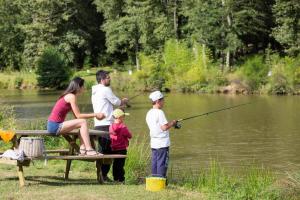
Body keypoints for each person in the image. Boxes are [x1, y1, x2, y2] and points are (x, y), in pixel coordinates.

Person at [47, 77, 105, 156]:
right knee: (83, 122)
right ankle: (89, 149)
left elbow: (77, 117)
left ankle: (82, 149)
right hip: (55, 126)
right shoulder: (71, 96)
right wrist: (96, 114)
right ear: (78, 87)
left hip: (53, 125)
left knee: (81, 124)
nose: (84, 88)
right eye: (83, 86)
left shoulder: (69, 96)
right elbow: (79, 115)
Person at [91, 70, 128, 181]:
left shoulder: (95, 91)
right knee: (116, 151)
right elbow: (116, 102)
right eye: (108, 77)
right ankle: (115, 178)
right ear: (102, 80)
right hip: (106, 125)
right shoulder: (105, 89)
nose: (109, 79)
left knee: (105, 151)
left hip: (98, 125)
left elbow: (107, 107)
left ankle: (103, 175)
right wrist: (123, 101)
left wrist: (119, 108)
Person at [145, 91, 177, 178]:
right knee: (162, 163)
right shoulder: (159, 112)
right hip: (162, 143)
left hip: (154, 143)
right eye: (163, 100)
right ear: (158, 101)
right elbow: (164, 127)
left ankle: (154, 180)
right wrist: (173, 123)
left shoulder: (149, 113)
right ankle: (160, 182)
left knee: (155, 162)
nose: (164, 102)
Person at [109, 108, 132, 183]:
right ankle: (121, 179)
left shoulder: (110, 127)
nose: (124, 118)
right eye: (123, 116)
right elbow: (130, 136)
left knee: (115, 164)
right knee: (121, 165)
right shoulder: (123, 127)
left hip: (114, 149)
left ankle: (115, 179)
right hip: (122, 149)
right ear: (119, 117)